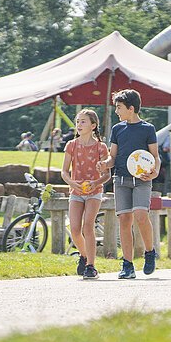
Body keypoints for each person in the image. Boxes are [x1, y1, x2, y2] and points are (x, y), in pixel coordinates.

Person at [97, 89, 160, 279]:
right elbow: (113, 157)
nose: (116, 111)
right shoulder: (117, 129)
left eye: (119, 107)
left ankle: (150, 252)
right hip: (121, 180)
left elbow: (155, 157)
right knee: (124, 220)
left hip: (142, 180)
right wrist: (105, 164)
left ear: (131, 109)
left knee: (141, 216)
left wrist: (155, 171)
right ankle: (128, 265)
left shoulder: (148, 129)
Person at [61, 109, 110, 279]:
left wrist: (95, 183)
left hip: (94, 192)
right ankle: (83, 256)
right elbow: (64, 172)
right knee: (75, 230)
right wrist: (72, 183)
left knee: (87, 226)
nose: (79, 125)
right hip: (76, 191)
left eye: (83, 121)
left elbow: (107, 175)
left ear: (93, 125)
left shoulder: (101, 147)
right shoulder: (71, 145)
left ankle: (91, 266)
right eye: (77, 121)